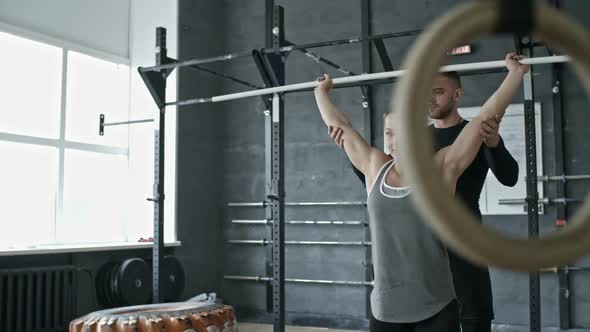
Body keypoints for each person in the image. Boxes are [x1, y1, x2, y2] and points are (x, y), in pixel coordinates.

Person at [313, 53, 528, 332]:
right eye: (388, 133)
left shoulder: (441, 167)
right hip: (388, 305)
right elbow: (342, 129)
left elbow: (487, 117)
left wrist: (515, 73)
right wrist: (321, 91)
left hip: (445, 286)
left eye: (402, 131)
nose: (394, 139)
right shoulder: (376, 166)